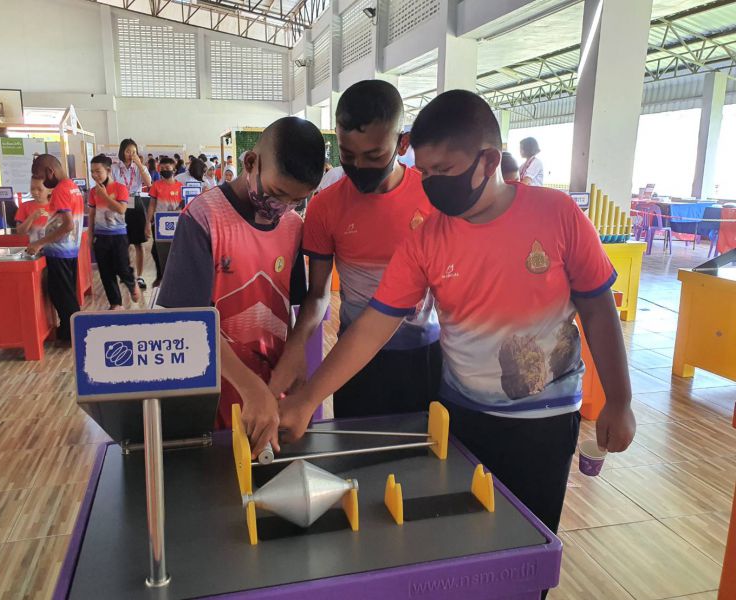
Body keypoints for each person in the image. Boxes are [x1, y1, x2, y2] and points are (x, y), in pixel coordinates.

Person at [280, 91, 636, 554]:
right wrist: (308, 398)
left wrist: (619, 400)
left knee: (529, 543)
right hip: (461, 419)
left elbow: (598, 309)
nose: (431, 185)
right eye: (425, 172)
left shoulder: (557, 214)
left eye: (443, 171)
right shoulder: (426, 239)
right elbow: (373, 326)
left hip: (545, 421)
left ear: (488, 160)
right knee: (458, 543)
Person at [271, 79, 441, 420]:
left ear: (402, 143)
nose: (359, 167)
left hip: (423, 357)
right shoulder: (325, 207)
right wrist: (297, 344)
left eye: (373, 155)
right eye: (347, 155)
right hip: (352, 365)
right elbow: (319, 294)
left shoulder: (433, 197)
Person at [158, 117, 325, 456]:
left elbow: (291, 303)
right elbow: (187, 321)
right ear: (250, 163)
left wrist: (294, 355)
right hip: (215, 389)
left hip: (271, 388)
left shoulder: (292, 226)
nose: (284, 207)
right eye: (278, 194)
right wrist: (249, 386)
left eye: (298, 200)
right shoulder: (204, 217)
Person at [26, 154, 84, 341]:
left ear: (50, 171)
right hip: (70, 251)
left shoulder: (60, 190)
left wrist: (39, 243)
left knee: (63, 297)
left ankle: (72, 335)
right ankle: (70, 332)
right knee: (67, 294)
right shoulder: (73, 187)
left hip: (60, 252)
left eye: (41, 177)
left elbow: (68, 225)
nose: (42, 182)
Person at [88, 154, 141, 310]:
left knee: (122, 268)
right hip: (100, 237)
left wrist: (104, 196)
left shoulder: (120, 188)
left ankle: (131, 283)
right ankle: (116, 303)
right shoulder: (93, 192)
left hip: (118, 236)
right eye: (92, 172)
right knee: (106, 272)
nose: (94, 175)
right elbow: (91, 215)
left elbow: (121, 209)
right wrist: (90, 237)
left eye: (98, 171)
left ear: (109, 170)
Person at [112, 139, 152, 290]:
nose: (130, 154)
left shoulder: (140, 168)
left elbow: (149, 183)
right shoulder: (115, 168)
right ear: (122, 151)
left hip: (135, 203)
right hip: (120, 204)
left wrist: (140, 165)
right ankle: (126, 274)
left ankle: (139, 276)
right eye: (128, 151)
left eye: (134, 152)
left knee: (138, 243)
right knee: (123, 243)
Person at [145, 157, 183, 286]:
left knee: (174, 251)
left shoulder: (180, 186)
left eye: (167, 168)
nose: (165, 170)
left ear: (174, 170)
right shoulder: (156, 185)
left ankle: (175, 277)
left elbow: (184, 205)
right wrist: (147, 223)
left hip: (176, 225)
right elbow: (151, 205)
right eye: (162, 168)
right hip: (158, 224)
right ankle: (160, 276)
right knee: (156, 251)